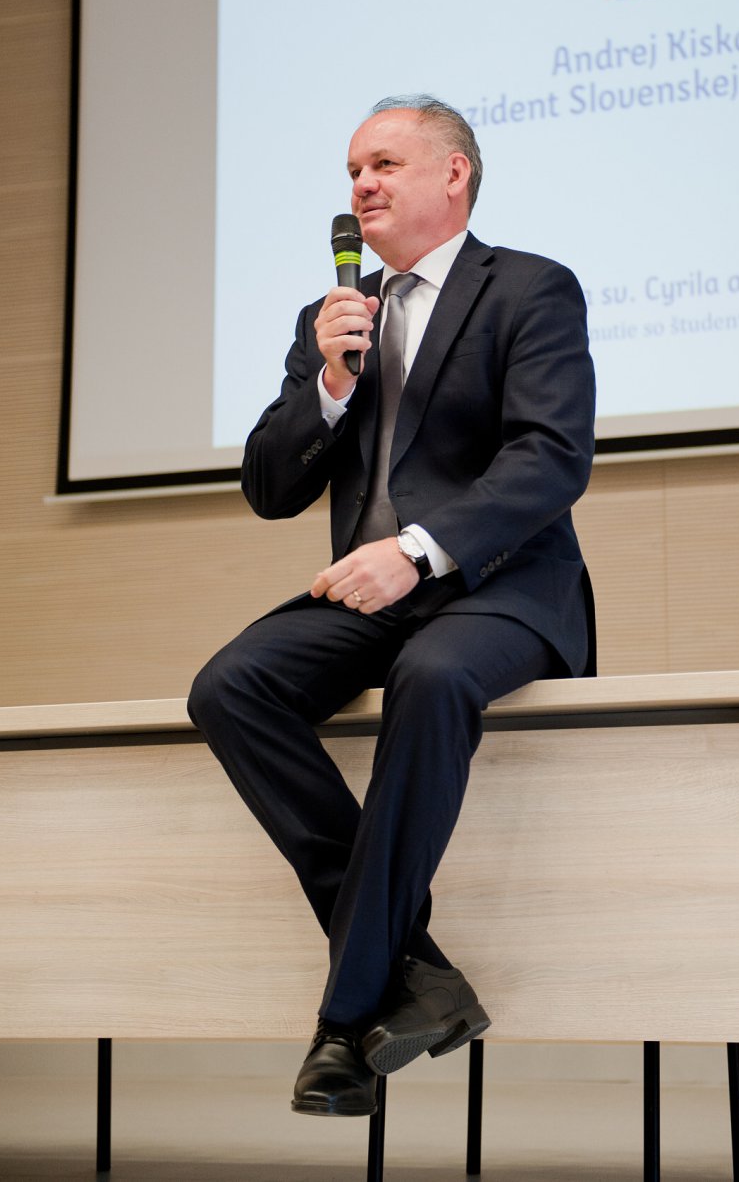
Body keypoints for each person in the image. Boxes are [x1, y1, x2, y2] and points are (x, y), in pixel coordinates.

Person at [188, 94, 596, 1118]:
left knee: (432, 673)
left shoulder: (530, 288)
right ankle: (410, 965)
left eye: (383, 164)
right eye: (351, 172)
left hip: (499, 585)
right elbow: (269, 486)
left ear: (453, 174)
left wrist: (417, 552)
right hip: (368, 593)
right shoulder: (336, 317)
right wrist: (328, 383)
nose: (360, 185)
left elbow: (551, 457)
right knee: (231, 686)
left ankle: (343, 1024)